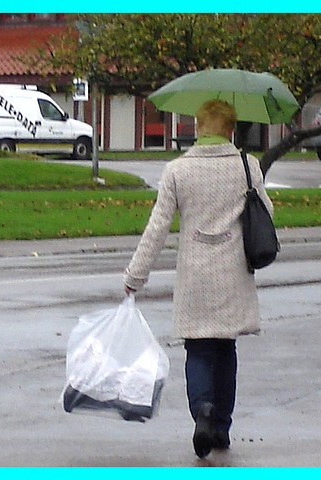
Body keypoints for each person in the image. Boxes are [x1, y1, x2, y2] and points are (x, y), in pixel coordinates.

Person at [123, 99, 273, 458]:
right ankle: (221, 426)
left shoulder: (177, 170)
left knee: (199, 349)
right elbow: (265, 211)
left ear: (198, 128)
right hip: (233, 272)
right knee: (226, 349)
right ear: (230, 130)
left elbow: (157, 228)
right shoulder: (247, 166)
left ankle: (202, 409)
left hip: (195, 275)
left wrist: (135, 275)